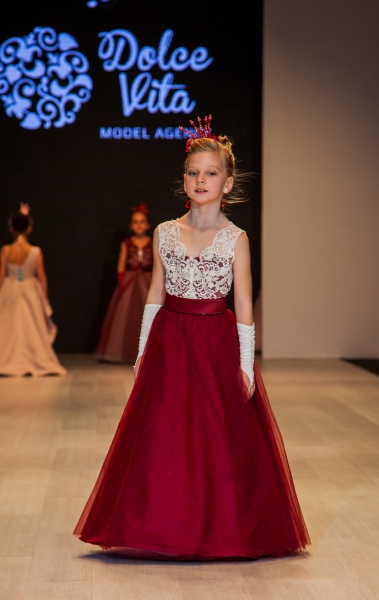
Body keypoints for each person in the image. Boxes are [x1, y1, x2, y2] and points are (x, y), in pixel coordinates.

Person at [74, 116, 310, 559]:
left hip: (216, 342)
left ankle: (221, 529)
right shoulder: (165, 232)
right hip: (170, 339)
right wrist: (143, 350)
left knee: (218, 437)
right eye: (194, 172)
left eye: (211, 173)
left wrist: (245, 365)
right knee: (163, 432)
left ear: (227, 182)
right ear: (184, 179)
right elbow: (154, 294)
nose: (201, 180)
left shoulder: (235, 239)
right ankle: (161, 524)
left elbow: (244, 307)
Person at [0, 204, 66, 376]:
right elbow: (42, 276)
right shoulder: (35, 251)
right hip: (29, 289)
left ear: (11, 228)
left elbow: (2, 274)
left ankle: (7, 359)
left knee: (9, 325)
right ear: (29, 228)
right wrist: (44, 299)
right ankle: (31, 358)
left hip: (9, 288)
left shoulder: (6, 250)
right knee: (30, 325)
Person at [95, 205, 153, 363]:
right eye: (135, 222)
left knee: (146, 315)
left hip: (147, 281)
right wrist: (121, 282)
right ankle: (124, 352)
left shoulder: (152, 242)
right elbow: (121, 264)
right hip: (130, 282)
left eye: (142, 221)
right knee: (125, 317)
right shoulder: (126, 243)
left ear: (148, 224)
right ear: (130, 225)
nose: (139, 225)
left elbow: (156, 264)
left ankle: (147, 352)